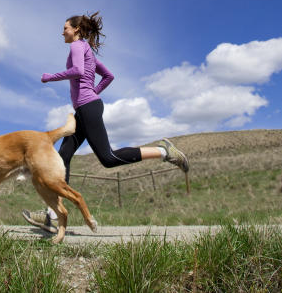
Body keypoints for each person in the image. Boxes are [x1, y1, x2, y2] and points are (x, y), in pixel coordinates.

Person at [22, 12, 189, 234]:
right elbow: (109, 76)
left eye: (65, 28)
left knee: (108, 158)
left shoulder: (76, 47)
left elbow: (78, 71)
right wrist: (93, 92)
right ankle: (51, 215)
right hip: (85, 108)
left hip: (88, 108)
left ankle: (164, 151)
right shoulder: (87, 50)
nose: (62, 32)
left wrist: (50, 77)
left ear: (76, 30)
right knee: (63, 157)